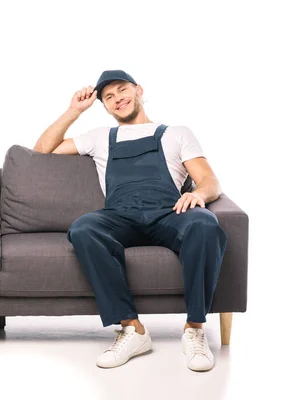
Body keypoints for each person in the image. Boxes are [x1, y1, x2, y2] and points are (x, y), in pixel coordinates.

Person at [33, 70, 227, 372]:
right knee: (83, 228)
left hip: (169, 212)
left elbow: (210, 182)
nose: (117, 99)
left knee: (205, 224)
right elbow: (42, 150)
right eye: (108, 97)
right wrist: (73, 111)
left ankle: (194, 329)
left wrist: (199, 194)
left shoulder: (176, 133)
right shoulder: (99, 138)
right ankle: (132, 329)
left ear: (138, 90)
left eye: (122, 90)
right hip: (119, 216)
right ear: (105, 106)